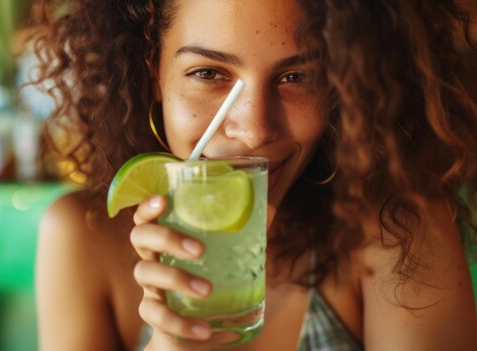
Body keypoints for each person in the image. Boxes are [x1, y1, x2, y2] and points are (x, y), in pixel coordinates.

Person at [28, 0, 477, 350]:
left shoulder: (400, 232)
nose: (255, 131)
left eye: (296, 76)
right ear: (155, 76)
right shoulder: (82, 236)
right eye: (208, 73)